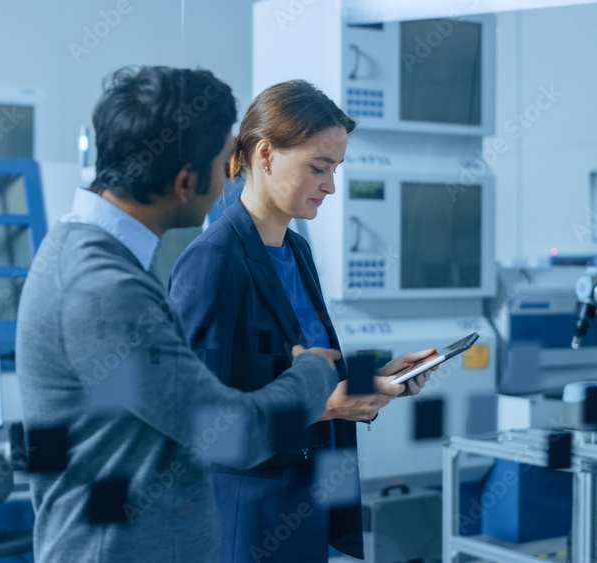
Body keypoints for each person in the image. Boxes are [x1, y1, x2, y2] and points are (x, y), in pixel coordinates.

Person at [15, 67, 346, 563]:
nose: (230, 176)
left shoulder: (96, 256)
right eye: (225, 161)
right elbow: (229, 431)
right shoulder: (103, 286)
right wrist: (315, 372)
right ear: (186, 182)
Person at [169, 79, 436, 562]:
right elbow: (199, 423)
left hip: (308, 513)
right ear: (266, 154)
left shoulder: (296, 252)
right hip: (244, 523)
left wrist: (370, 383)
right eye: (319, 167)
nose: (331, 185)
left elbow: (299, 371)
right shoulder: (212, 262)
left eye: (335, 169)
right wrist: (329, 407)